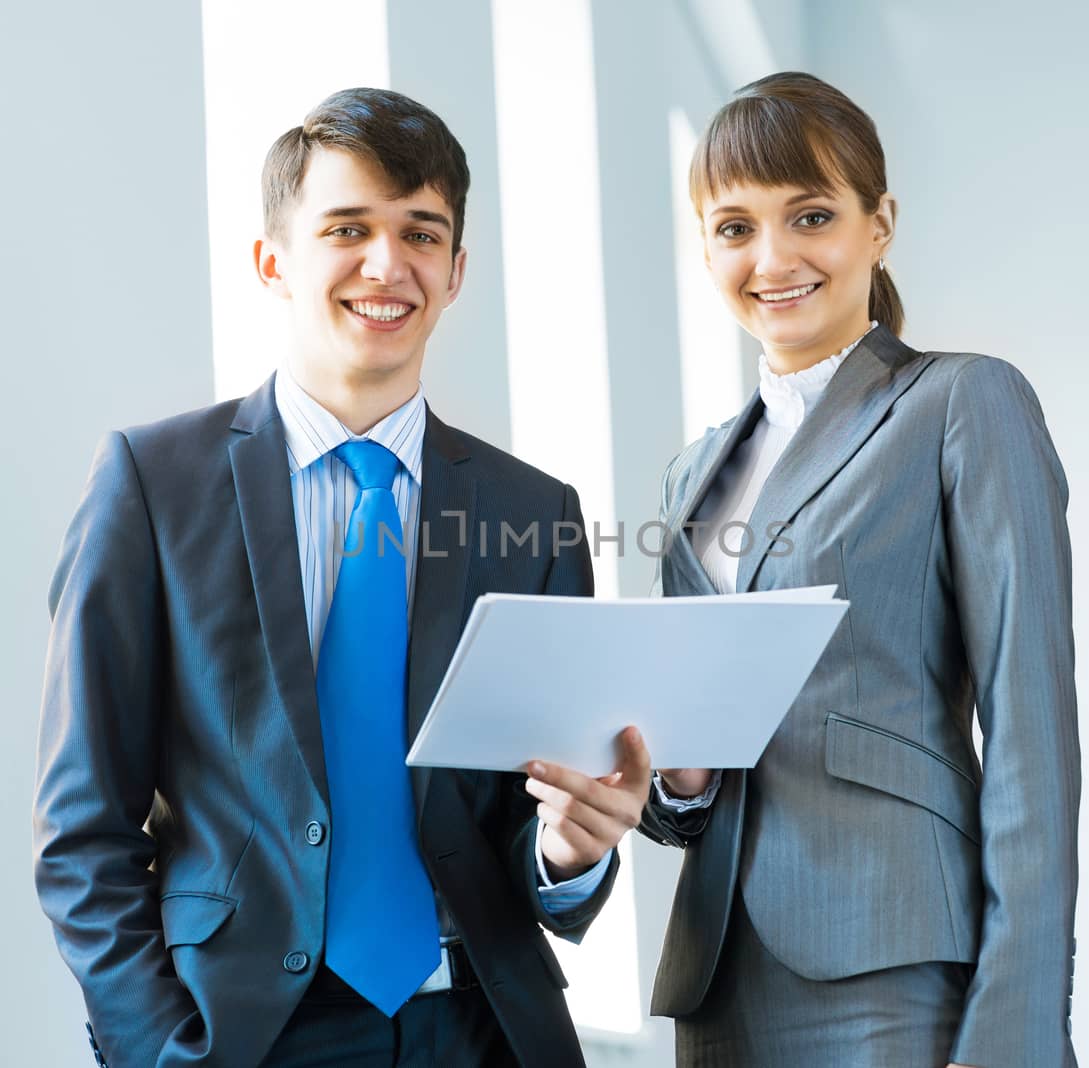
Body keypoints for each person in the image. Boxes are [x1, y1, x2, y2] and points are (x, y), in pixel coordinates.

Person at [34, 87, 651, 1068]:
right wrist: (156, 1048)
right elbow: (83, 829)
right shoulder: (153, 485)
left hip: (480, 1029)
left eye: (420, 233)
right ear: (273, 261)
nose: (385, 263)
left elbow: (520, 828)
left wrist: (572, 853)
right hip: (245, 1036)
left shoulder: (532, 512)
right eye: (347, 228)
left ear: (455, 273)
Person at [640, 72, 1081, 1067]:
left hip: (893, 956)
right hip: (719, 981)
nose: (773, 258)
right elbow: (689, 771)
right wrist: (675, 783)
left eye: (810, 215)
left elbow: (1030, 727)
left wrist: (1017, 1020)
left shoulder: (961, 402)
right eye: (734, 227)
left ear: (877, 225)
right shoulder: (691, 473)